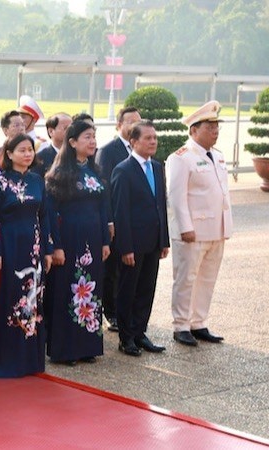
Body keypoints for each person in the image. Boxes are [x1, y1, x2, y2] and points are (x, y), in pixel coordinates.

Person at [0, 133, 54, 378]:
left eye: (30, 150)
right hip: (10, 246)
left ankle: (30, 360)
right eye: (22, 150)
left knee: (34, 299)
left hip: (34, 246)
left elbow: (44, 215)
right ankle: (10, 360)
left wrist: (47, 249)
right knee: (11, 299)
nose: (28, 154)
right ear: (10, 153)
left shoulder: (38, 181)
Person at [44, 120, 110, 365]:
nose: (93, 142)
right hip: (69, 240)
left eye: (94, 137)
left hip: (93, 241)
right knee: (67, 291)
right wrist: (56, 246)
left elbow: (103, 210)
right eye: (87, 137)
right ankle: (65, 350)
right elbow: (50, 214)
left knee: (91, 291)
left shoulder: (95, 172)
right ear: (72, 142)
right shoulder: (59, 174)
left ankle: (87, 345)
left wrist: (105, 241)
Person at [167, 100, 232, 347]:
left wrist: (227, 225)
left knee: (207, 278)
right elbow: (176, 195)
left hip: (216, 229)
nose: (215, 131)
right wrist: (185, 227)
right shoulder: (181, 158)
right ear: (194, 130)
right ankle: (181, 325)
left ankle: (199, 322)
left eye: (217, 127)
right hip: (193, 231)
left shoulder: (218, 156)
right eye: (210, 127)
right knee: (186, 279)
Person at [111, 121, 169, 357]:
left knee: (147, 289)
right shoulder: (123, 170)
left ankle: (139, 332)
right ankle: (126, 338)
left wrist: (164, 240)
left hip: (153, 242)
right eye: (147, 138)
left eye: (155, 138)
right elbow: (120, 212)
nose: (153, 142)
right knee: (128, 290)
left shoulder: (157, 167)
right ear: (134, 142)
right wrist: (125, 247)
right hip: (133, 244)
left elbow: (161, 206)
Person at [95, 106, 142, 332]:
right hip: (115, 220)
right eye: (130, 121)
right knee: (112, 269)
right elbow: (105, 189)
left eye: (138, 121)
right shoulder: (108, 151)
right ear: (119, 125)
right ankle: (110, 312)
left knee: (131, 269)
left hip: (136, 222)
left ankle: (128, 311)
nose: (135, 125)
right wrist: (110, 221)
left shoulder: (141, 151)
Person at [34, 113, 71, 177]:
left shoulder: (79, 154)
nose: (70, 132)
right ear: (51, 131)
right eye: (65, 128)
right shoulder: (40, 158)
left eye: (71, 128)